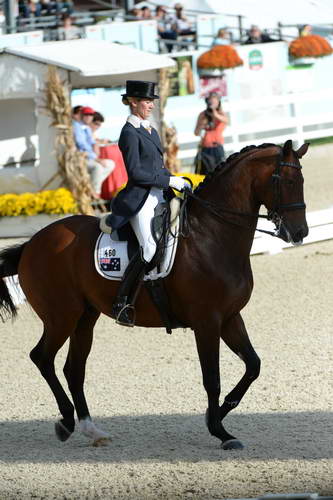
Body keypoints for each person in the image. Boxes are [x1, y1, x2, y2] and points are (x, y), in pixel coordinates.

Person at [105, 80, 191, 326]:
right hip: (140, 198)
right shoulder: (129, 133)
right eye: (146, 101)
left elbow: (157, 167)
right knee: (149, 249)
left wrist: (174, 180)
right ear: (133, 102)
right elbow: (136, 173)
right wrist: (169, 180)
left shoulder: (150, 129)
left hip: (159, 194)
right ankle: (122, 302)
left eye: (152, 101)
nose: (151, 105)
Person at [72, 106, 115, 199]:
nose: (88, 117)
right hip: (80, 158)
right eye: (86, 114)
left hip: (89, 157)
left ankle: (90, 188)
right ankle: (95, 193)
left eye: (91, 115)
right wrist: (97, 159)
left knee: (111, 164)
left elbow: (92, 143)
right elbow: (81, 145)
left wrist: (95, 145)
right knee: (97, 167)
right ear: (82, 115)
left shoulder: (86, 128)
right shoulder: (76, 126)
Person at [194, 92, 228, 174]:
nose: (212, 103)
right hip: (205, 149)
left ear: (218, 102)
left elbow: (226, 120)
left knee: (220, 173)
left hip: (217, 148)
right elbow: (196, 133)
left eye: (214, 102)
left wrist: (214, 113)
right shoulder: (203, 115)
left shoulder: (221, 114)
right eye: (210, 102)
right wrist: (202, 124)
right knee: (204, 173)